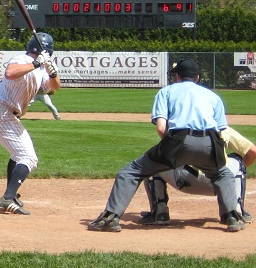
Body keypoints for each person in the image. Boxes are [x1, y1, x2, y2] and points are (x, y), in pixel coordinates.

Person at [88, 58, 244, 232]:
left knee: (131, 171)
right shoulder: (212, 96)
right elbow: (222, 130)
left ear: (177, 76)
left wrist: (171, 153)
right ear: (198, 78)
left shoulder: (166, 91)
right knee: (223, 174)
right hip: (210, 143)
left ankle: (111, 218)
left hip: (178, 141)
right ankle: (232, 217)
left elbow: (162, 129)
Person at [0, 33, 60, 215]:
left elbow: (54, 87)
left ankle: (11, 195)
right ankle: (7, 199)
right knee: (29, 158)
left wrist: (52, 71)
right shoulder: (22, 59)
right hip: (1, 113)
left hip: (6, 115)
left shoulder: (42, 69)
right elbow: (10, 73)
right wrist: (37, 63)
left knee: (18, 155)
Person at [139, 126, 256, 225]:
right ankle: (235, 212)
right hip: (220, 183)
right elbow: (253, 152)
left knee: (152, 162)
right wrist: (228, 178)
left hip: (184, 182)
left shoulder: (177, 128)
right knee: (238, 160)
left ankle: (160, 213)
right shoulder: (222, 128)